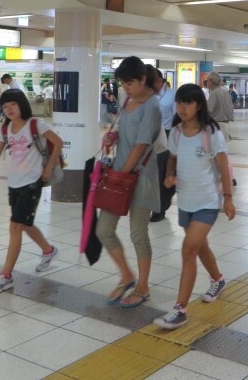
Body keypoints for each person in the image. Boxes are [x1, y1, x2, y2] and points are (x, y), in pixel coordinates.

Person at [154, 83, 235, 329]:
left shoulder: (211, 133)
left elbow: (223, 166)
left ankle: (180, 309)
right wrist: (169, 176)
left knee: (188, 249)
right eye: (179, 103)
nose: (182, 108)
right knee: (200, 247)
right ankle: (218, 279)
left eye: (187, 103)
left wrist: (228, 198)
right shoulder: (176, 132)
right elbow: (172, 158)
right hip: (186, 201)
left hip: (208, 201)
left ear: (199, 104)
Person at [0, 89, 62, 294]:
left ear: (21, 104)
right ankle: (49, 250)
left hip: (32, 182)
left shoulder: (35, 124)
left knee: (15, 227)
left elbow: (58, 142)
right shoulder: (5, 129)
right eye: (5, 106)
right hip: (14, 183)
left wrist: (47, 169)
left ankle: (6, 275)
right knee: (24, 224)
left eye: (13, 104)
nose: (9, 109)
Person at [96, 56, 161, 308]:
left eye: (130, 83)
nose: (125, 88)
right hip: (119, 175)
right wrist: (112, 136)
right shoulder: (126, 100)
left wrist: (120, 174)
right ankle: (126, 274)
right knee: (104, 230)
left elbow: (141, 145)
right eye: (123, 84)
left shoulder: (152, 106)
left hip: (141, 176)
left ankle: (143, 286)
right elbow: (124, 132)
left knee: (138, 233)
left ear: (143, 80)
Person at [150, 67, 177, 223]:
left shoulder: (172, 95)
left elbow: (177, 118)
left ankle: (159, 209)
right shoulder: (148, 96)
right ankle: (155, 204)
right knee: (152, 174)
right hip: (151, 135)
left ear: (160, 81)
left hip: (167, 136)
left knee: (161, 173)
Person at [206, 72, 234, 140]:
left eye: (207, 80)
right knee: (222, 148)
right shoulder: (226, 92)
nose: (206, 82)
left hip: (217, 125)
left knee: (215, 149)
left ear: (211, 81)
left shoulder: (214, 93)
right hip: (226, 125)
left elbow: (209, 110)